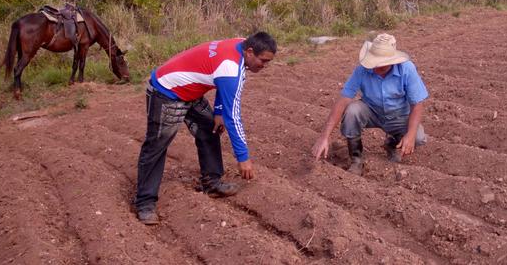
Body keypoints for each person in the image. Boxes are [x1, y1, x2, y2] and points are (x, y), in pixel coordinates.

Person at [134, 32, 277, 224]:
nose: (264, 66)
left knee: (210, 128)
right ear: (250, 51)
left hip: (190, 91)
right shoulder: (231, 68)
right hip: (166, 90)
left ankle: (212, 183)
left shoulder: (239, 44)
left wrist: (218, 111)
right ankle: (145, 203)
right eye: (263, 61)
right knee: (156, 145)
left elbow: (221, 85)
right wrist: (243, 158)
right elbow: (233, 116)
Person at [311, 33, 428, 175]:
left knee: (418, 137)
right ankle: (356, 159)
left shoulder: (407, 69)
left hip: (398, 115)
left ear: (392, 61)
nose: (375, 68)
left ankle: (392, 143)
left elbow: (417, 104)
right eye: (373, 63)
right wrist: (325, 136)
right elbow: (343, 100)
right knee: (352, 111)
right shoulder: (362, 70)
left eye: (381, 66)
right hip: (372, 111)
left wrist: (410, 135)